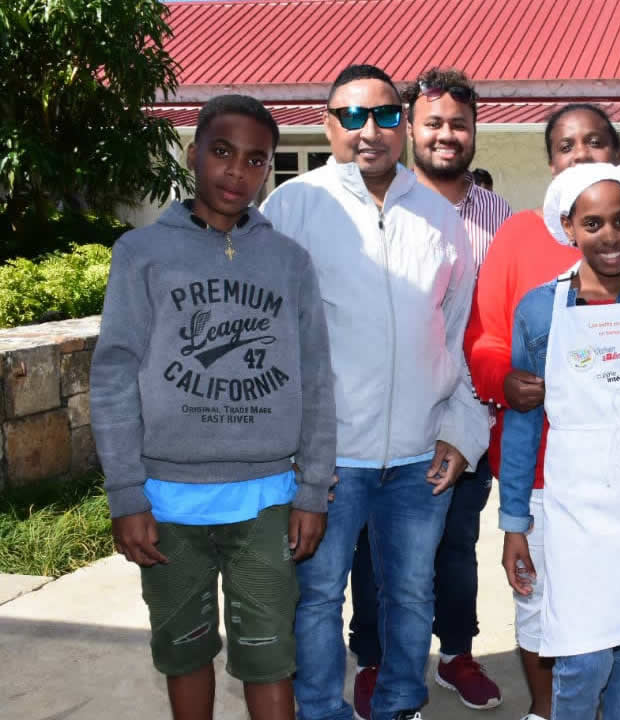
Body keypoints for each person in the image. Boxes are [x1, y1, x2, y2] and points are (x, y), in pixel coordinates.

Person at [90, 94, 336, 720]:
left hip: (266, 499)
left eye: (256, 160)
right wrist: (127, 495)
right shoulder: (142, 254)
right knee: (183, 651)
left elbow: (315, 380)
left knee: (269, 656)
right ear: (194, 152)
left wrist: (311, 491)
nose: (236, 171)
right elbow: (115, 375)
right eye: (222, 152)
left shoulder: (289, 262)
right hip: (168, 501)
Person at [462, 103, 620, 720]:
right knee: (579, 654)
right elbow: (521, 423)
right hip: (573, 508)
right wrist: (514, 520)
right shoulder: (539, 312)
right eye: (592, 224)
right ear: (568, 228)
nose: (609, 236)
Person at [261, 64, 489, 720]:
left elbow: (458, 341)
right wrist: (295, 453)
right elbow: (268, 344)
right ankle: (320, 711)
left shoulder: (439, 220)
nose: (370, 130)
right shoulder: (294, 208)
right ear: (327, 124)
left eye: (385, 115)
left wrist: (461, 433)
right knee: (319, 597)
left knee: (412, 596)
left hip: (420, 460)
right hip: (329, 463)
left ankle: (397, 705)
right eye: (352, 116)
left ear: (403, 125)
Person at [345, 66, 512, 716]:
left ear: (475, 132)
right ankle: (376, 660)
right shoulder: (377, 205)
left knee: (455, 547)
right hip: (386, 420)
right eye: (434, 122)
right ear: (410, 127)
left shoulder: (500, 218)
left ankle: (457, 653)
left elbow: (503, 319)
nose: (447, 135)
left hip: (466, 417)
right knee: (374, 551)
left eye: (459, 124)